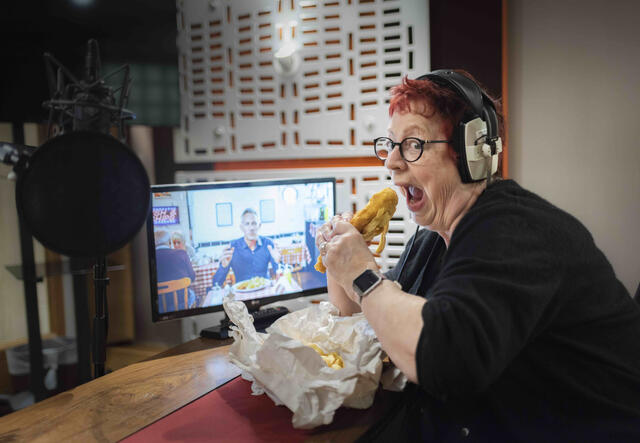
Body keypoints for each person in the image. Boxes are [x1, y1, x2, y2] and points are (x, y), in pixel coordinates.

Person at [316, 70, 640, 441]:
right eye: (389, 144)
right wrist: (339, 257)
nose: (391, 162)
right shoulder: (432, 241)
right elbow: (362, 325)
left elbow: (444, 358)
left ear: (473, 152)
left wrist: (362, 273)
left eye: (412, 144)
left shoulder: (516, 232)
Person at [211, 208, 281, 287]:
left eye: (254, 223)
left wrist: (278, 262)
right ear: (241, 227)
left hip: (265, 290)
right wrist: (223, 267)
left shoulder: (268, 244)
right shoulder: (232, 247)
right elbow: (216, 284)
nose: (251, 228)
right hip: (242, 293)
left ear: (259, 226)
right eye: (247, 224)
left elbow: (282, 278)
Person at [155, 229, 196, 312]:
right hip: (182, 302)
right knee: (192, 294)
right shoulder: (181, 253)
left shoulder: (148, 258)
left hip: (159, 306)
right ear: (170, 242)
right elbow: (192, 277)